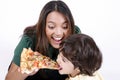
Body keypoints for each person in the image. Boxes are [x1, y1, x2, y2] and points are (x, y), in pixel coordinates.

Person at [5, 0, 81, 80]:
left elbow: (81, 72)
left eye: (65, 26)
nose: (59, 33)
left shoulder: (75, 35)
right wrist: (26, 71)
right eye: (51, 26)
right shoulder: (29, 39)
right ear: (43, 26)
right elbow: (9, 78)